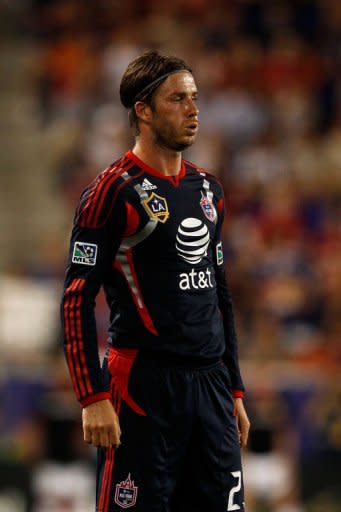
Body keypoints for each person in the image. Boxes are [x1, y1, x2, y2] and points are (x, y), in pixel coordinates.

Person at [61, 50, 250, 512]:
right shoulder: (111, 192)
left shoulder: (209, 190)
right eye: (177, 99)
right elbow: (75, 300)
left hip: (211, 389)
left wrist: (236, 389)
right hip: (143, 389)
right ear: (142, 111)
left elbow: (218, 295)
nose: (193, 110)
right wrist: (92, 397)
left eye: (195, 98)